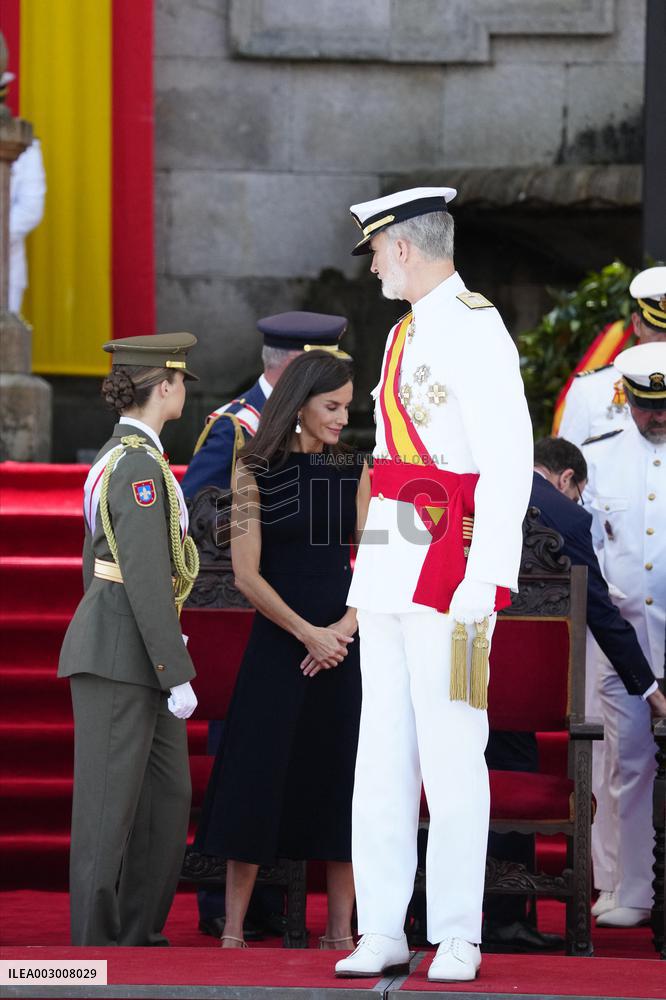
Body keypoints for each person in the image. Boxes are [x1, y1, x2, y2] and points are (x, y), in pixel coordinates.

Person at [334, 188, 533, 982]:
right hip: (396, 547)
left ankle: (457, 932)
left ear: (405, 248)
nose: (375, 263)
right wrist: (369, 577)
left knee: (454, 751)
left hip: (455, 556)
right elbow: (391, 467)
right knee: (380, 750)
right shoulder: (402, 331)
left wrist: (487, 578)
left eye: (377, 251)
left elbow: (509, 460)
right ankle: (383, 926)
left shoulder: (477, 329)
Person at [193, 350, 369, 950]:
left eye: (347, 406)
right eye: (333, 406)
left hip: (343, 650)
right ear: (298, 405)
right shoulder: (253, 468)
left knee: (341, 779)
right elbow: (246, 574)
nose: (344, 417)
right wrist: (307, 633)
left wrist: (342, 629)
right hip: (279, 644)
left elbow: (375, 561)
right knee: (256, 775)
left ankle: (341, 931)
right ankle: (235, 930)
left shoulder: (354, 466)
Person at [484, 435, 666, 950]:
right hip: (517, 688)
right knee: (513, 767)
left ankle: (424, 913)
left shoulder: (469, 487)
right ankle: (504, 919)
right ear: (567, 480)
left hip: (449, 670)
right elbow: (601, 613)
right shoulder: (566, 516)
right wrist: (649, 689)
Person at [58, 333, 200, 946]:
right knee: (107, 813)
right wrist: (176, 668)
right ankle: (94, 948)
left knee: (166, 801)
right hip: (122, 653)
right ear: (164, 384)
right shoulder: (138, 465)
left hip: (134, 647)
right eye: (183, 378)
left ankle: (136, 932)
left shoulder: (133, 458)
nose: (186, 388)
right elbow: (142, 575)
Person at [582, 341, 666, 928]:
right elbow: (586, 551)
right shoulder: (600, 459)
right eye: (647, 406)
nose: (657, 416)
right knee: (628, 764)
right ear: (627, 399)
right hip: (624, 642)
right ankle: (633, 889)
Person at [181, 311, 348, 498]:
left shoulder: (318, 416)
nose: (332, 375)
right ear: (295, 365)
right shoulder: (237, 426)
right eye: (323, 367)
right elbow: (195, 509)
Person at [558, 267, 666, 448]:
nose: (663, 340)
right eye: (656, 330)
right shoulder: (591, 389)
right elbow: (565, 466)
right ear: (637, 324)